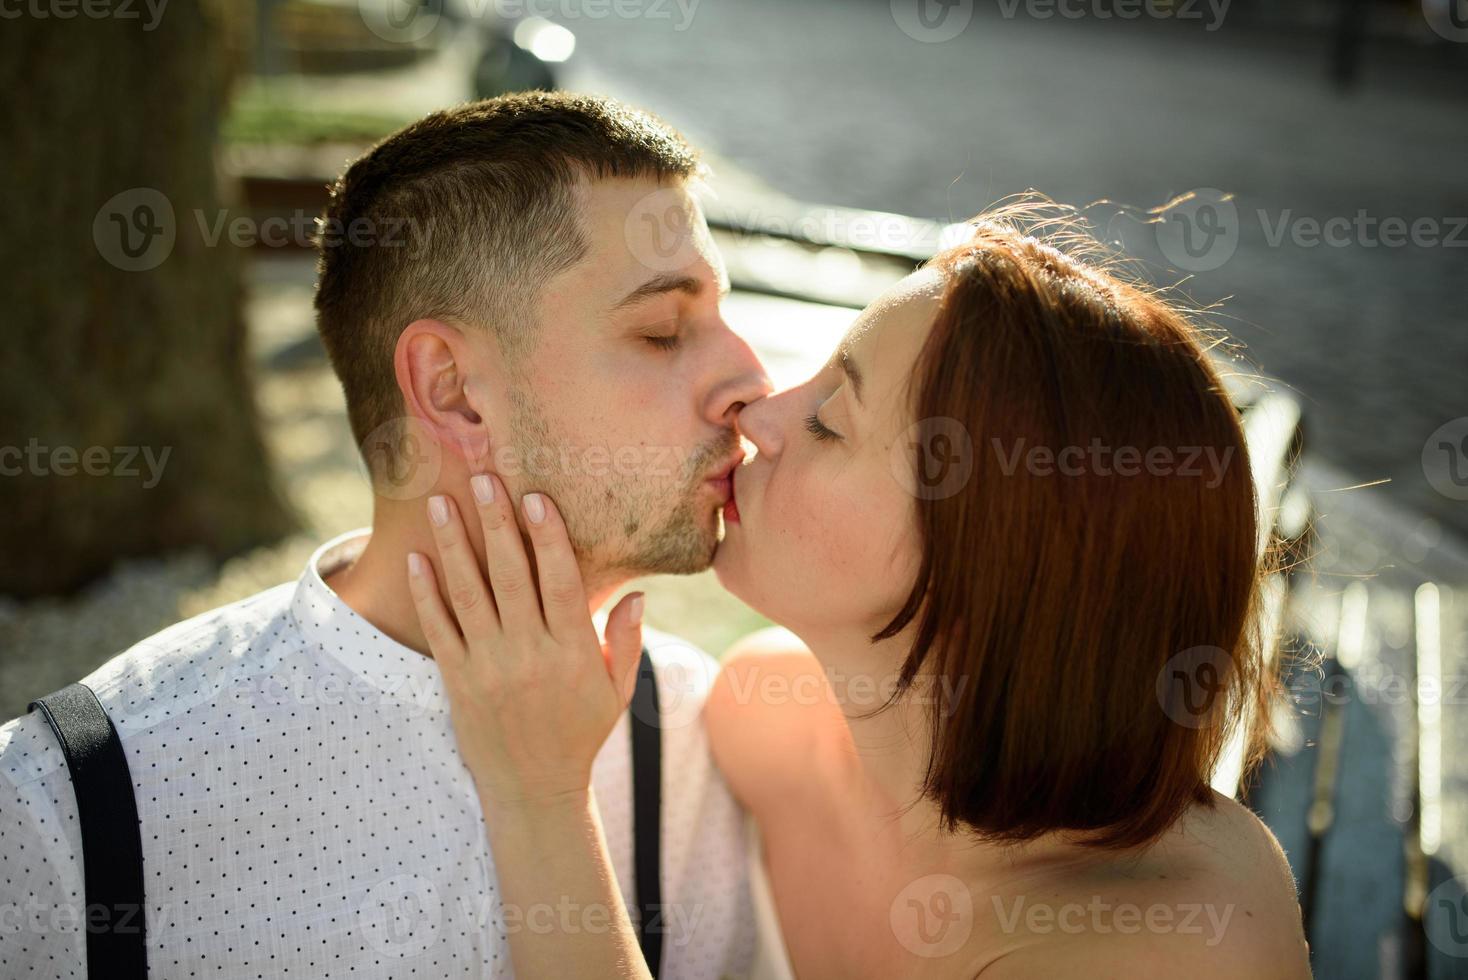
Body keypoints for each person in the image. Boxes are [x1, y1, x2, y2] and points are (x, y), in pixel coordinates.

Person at [409, 209, 1315, 978]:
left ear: (980, 564)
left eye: (831, 422)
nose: (759, 413)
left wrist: (537, 796)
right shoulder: (763, 722)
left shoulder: (1161, 939)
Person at [0, 92, 769, 977]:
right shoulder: (69, 808)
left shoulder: (704, 740)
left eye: (723, 315)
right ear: (452, 391)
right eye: (664, 331)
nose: (749, 376)